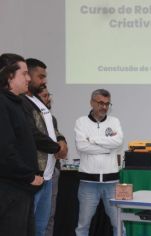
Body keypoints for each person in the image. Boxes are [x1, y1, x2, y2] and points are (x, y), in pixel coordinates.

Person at [21, 58, 68, 236]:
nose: (43, 81)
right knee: (28, 227)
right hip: (34, 175)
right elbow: (33, 134)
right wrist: (57, 148)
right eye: (40, 77)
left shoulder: (38, 102)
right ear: (28, 74)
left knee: (41, 227)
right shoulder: (22, 102)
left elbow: (52, 128)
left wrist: (61, 140)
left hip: (47, 176)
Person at [0, 53, 43, 235]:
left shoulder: (17, 103)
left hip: (21, 189)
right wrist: (29, 176)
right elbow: (5, 151)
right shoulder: (2, 103)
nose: (28, 78)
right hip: (11, 190)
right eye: (24, 73)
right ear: (10, 76)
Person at [75, 89, 125, 236]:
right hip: (88, 182)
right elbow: (81, 146)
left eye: (107, 104)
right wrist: (107, 148)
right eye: (100, 103)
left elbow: (118, 141)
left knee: (118, 224)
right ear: (92, 103)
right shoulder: (81, 122)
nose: (104, 107)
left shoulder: (114, 121)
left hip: (111, 182)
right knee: (83, 226)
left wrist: (93, 139)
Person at [36, 86, 61, 236]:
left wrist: (62, 140)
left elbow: (57, 137)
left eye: (48, 95)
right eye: (45, 96)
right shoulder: (30, 116)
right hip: (37, 172)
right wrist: (58, 147)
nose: (48, 98)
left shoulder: (52, 118)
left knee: (49, 216)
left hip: (53, 172)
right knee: (35, 218)